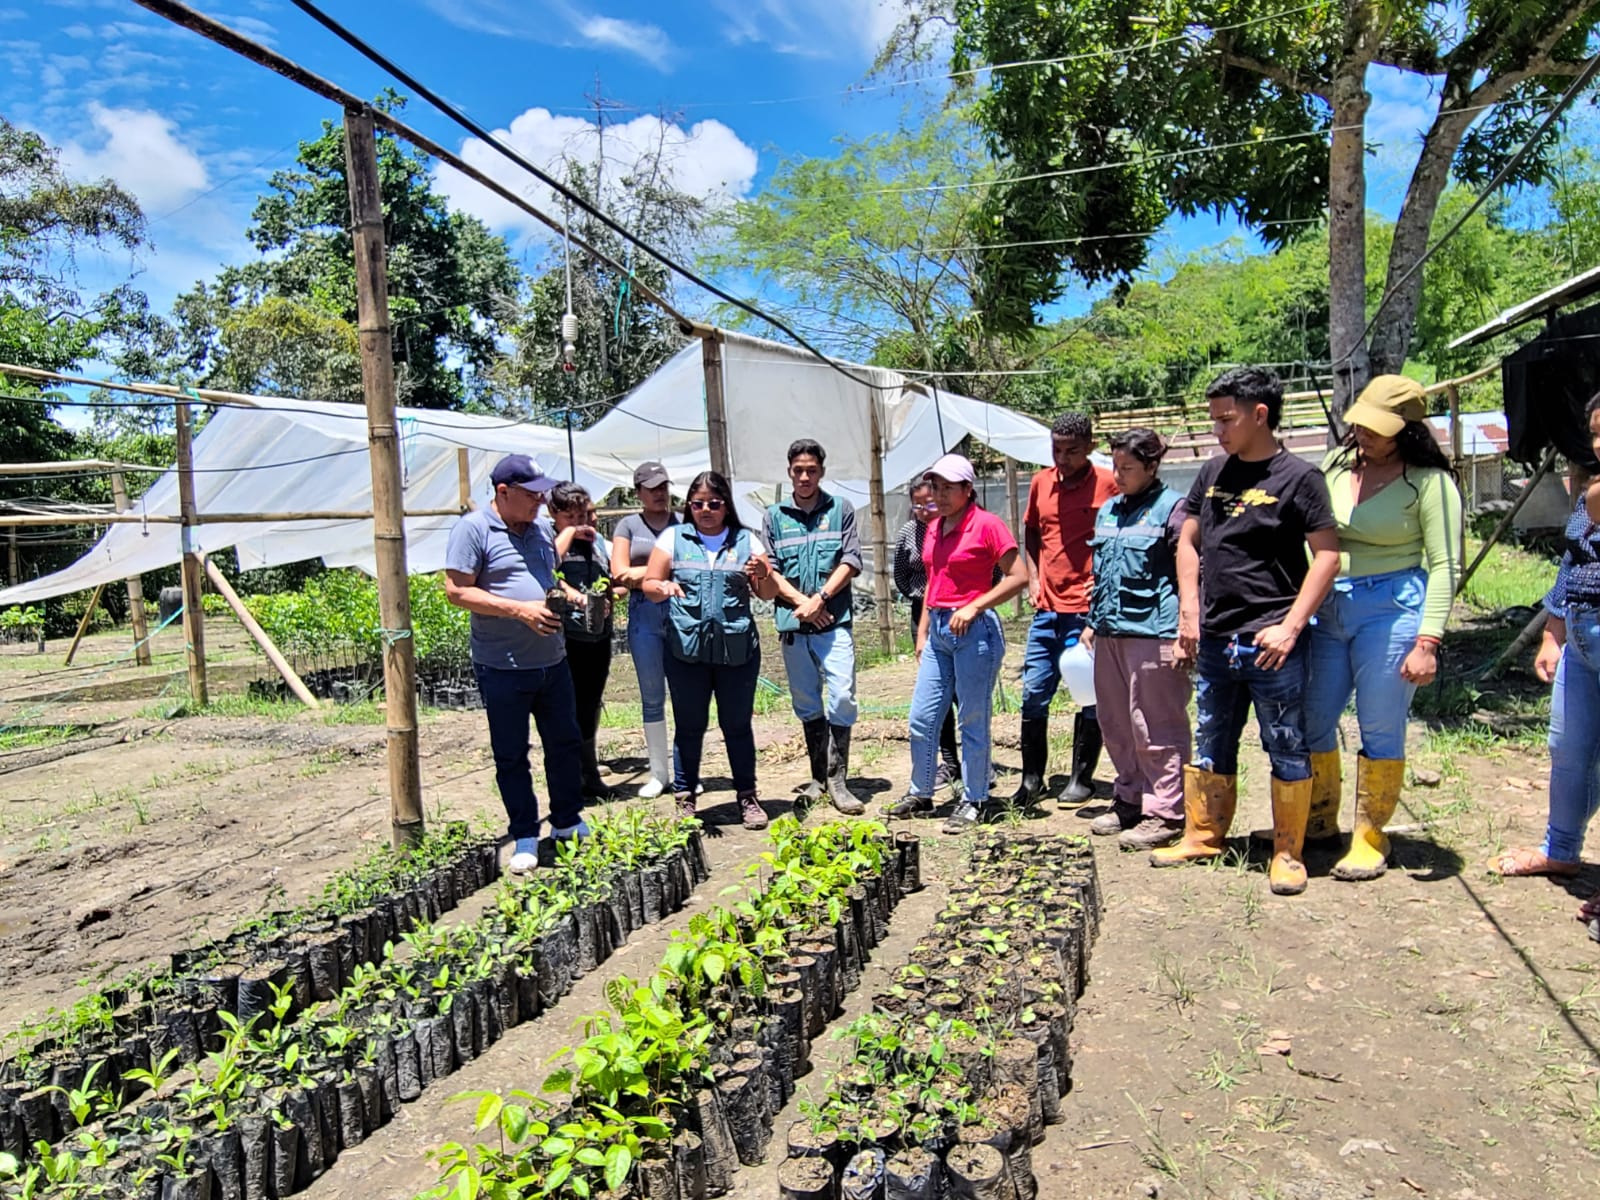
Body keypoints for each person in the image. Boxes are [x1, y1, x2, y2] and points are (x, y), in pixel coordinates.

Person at [1151, 367, 1340, 896]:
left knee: (1285, 740)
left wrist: (1290, 627)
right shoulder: (1212, 472)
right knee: (1212, 735)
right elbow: (1188, 542)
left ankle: (1288, 852)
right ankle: (1203, 835)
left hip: (1270, 640)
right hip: (1215, 636)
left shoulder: (1300, 478)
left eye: (1226, 419)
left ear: (1261, 414)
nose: (1218, 430)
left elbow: (1328, 557)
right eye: (1214, 420)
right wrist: (1189, 611)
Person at [1304, 376, 1463, 881]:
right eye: (1360, 425)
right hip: (1329, 606)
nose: (1364, 435)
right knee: (1313, 715)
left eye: (1377, 429)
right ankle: (1317, 819)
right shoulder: (1335, 464)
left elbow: (1446, 565)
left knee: (1379, 722)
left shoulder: (1430, 483)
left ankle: (1370, 835)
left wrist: (1427, 641)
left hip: (1392, 608)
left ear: (1406, 431)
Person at [444, 454, 586, 873]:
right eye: (532, 494)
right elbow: (456, 591)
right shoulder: (473, 530)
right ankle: (525, 833)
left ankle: (567, 820)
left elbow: (547, 577)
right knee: (511, 754)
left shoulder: (540, 530)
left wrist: (572, 595)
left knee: (564, 744)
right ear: (503, 492)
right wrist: (519, 610)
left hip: (552, 660)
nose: (541, 501)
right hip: (502, 666)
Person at [1493, 390, 1600, 890]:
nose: (1598, 445)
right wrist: (1553, 632)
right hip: (1580, 635)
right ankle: (1560, 850)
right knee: (1567, 748)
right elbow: (1572, 563)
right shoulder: (1589, 493)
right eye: (1595, 434)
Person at [890, 453, 1029, 833]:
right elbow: (933, 581)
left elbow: (1019, 576)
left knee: (972, 717)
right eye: (936, 487)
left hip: (975, 632)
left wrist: (975, 605)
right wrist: (922, 633)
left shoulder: (987, 525)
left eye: (948, 487)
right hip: (938, 630)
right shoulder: (934, 527)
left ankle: (975, 798)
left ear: (968, 489)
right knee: (922, 717)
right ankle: (921, 791)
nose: (940, 494)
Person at [643, 470, 774, 831]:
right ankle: (685, 799)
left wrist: (764, 573)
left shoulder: (747, 541)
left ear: (726, 505)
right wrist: (663, 587)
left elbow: (767, 594)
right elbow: (650, 583)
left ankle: (747, 797)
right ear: (689, 506)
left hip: (737, 651)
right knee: (689, 726)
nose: (705, 510)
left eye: (714, 504)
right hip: (686, 651)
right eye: (698, 504)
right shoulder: (673, 538)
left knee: (737, 725)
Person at [1082, 429, 1191, 851]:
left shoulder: (1173, 509)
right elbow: (1103, 571)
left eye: (1127, 468)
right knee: (1116, 722)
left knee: (1156, 724)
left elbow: (1190, 571)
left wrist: (1186, 628)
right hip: (1110, 631)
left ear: (1152, 466)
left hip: (1154, 632)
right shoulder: (1110, 509)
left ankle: (1166, 811)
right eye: (1115, 466)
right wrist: (1093, 621)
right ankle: (1130, 797)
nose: (1118, 475)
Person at [1011, 412, 1119, 809]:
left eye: (1072, 450)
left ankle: (1081, 779)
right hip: (1047, 609)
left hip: (1087, 610)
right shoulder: (1041, 483)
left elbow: (1117, 540)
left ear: (1090, 447)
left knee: (1089, 692)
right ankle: (1032, 780)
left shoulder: (1108, 484)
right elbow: (1032, 531)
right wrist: (1034, 577)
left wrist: (1103, 585)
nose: (1063, 457)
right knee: (1033, 692)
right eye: (1057, 449)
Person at [761, 439, 867, 816]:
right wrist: (802, 604)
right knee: (806, 702)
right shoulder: (774, 516)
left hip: (833, 622)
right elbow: (770, 569)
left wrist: (820, 599)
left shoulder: (841, 510)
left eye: (811, 470)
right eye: (798, 470)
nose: (805, 477)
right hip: (794, 625)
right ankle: (819, 778)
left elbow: (851, 560)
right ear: (789, 472)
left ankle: (839, 779)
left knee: (842, 697)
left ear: (821, 471)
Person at [610, 462, 679, 798]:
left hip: (680, 611)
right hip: (644, 615)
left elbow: (695, 565)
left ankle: (685, 771)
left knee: (686, 696)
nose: (659, 494)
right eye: (652, 488)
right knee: (652, 696)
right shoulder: (628, 525)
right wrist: (662, 568)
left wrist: (643, 573)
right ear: (638, 492)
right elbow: (619, 573)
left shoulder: (684, 522)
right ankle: (659, 774)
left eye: (663, 487)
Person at [548, 482, 620, 803]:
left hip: (597, 635)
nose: (580, 523)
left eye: (584, 516)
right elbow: (547, 570)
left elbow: (612, 582)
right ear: (554, 514)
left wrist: (608, 598)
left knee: (590, 702)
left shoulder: (598, 543)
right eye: (571, 517)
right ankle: (570, 776)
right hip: (566, 638)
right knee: (567, 706)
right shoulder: (548, 541)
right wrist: (576, 596)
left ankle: (589, 772)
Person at [892, 479, 962, 790]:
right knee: (937, 688)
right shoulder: (909, 533)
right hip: (923, 611)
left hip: (962, 610)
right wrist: (919, 596)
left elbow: (995, 571)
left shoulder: (960, 528)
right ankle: (949, 761)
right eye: (917, 505)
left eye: (929, 503)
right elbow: (900, 574)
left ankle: (977, 761)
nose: (923, 510)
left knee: (964, 690)